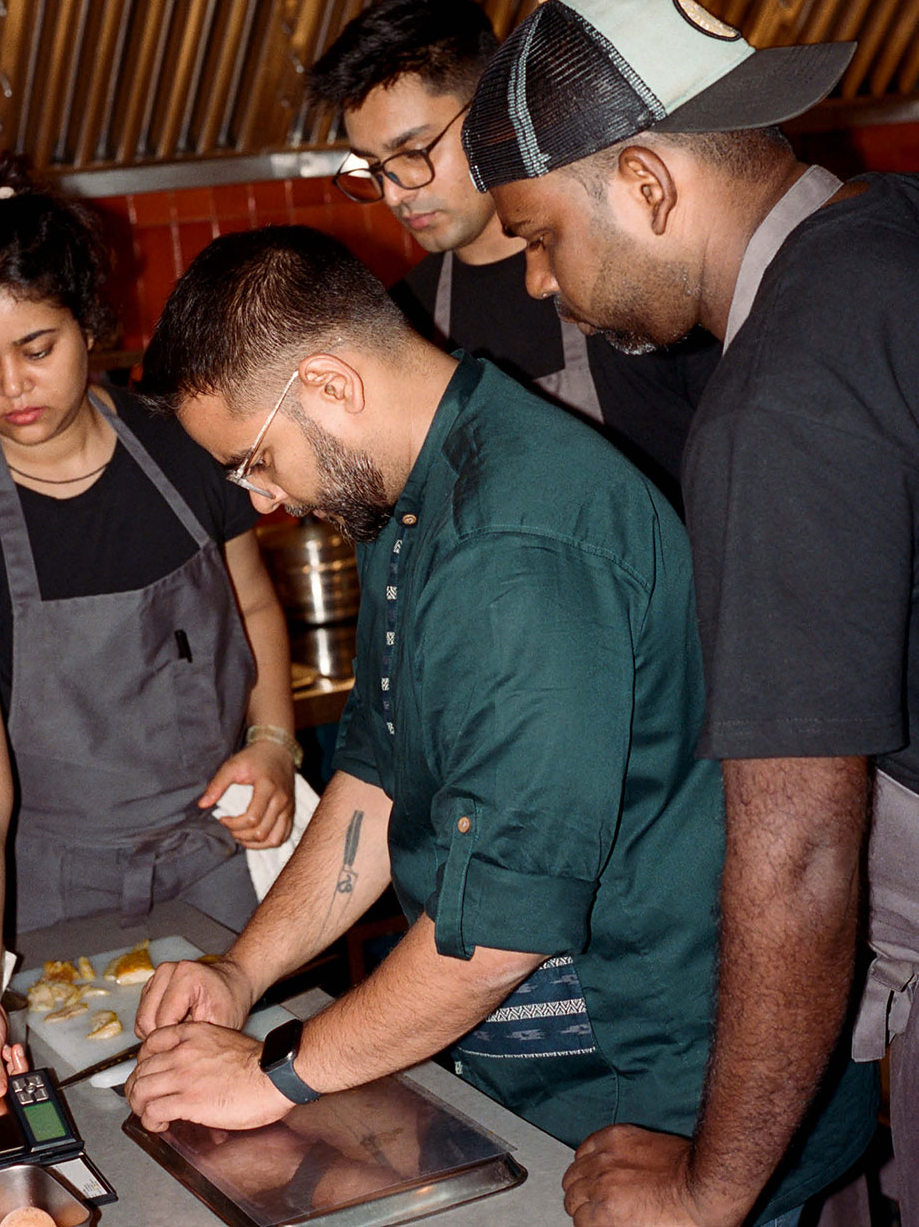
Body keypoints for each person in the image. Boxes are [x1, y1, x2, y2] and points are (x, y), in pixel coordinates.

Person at [130, 223, 811, 1226]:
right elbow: (376, 769)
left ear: (330, 385)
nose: (265, 499)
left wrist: (272, 1078)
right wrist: (244, 969)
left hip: (652, 1097)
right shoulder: (413, 489)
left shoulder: (518, 550)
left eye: (255, 460)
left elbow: (496, 936)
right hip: (530, 1069)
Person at [460, 0, 897, 1225]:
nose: (537, 281)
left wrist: (711, 1191)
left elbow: (803, 841)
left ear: (647, 186)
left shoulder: (775, 407)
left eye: (539, 234)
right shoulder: (891, 237)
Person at [0, 156, 299, 1100]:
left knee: (257, 1099)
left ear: (90, 325)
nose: (10, 387)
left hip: (216, 864)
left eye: (38, 347)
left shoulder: (181, 441)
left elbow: (255, 603)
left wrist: (272, 740)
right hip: (51, 899)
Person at [307, 0, 719, 505]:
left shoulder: (636, 265)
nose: (393, 192)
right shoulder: (400, 323)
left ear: (490, 109)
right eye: (373, 166)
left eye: (413, 150)